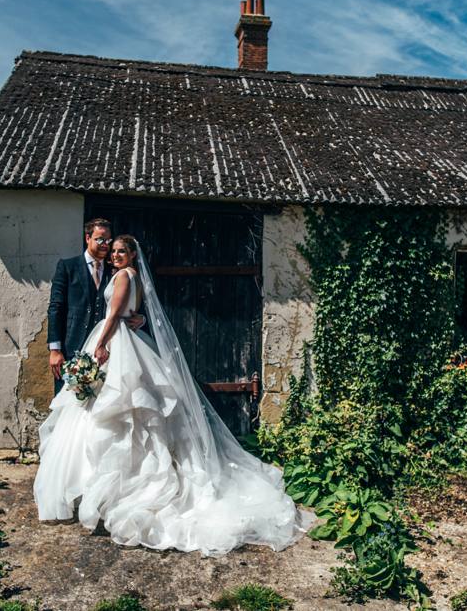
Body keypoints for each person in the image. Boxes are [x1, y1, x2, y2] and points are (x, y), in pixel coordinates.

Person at [35, 235, 313, 556]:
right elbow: (130, 312)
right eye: (112, 252)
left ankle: (118, 489)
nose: (115, 256)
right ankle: (108, 488)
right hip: (126, 337)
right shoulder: (131, 276)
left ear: (133, 255)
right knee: (122, 412)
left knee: (124, 410)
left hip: (116, 340)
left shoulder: (126, 276)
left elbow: (113, 315)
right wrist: (127, 322)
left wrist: (101, 344)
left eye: (121, 251)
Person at [46, 218, 143, 395]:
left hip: (104, 351)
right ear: (87, 238)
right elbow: (55, 308)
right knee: (66, 406)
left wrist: (141, 318)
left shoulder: (115, 270)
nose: (105, 245)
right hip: (70, 348)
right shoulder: (68, 267)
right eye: (100, 239)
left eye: (108, 240)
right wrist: (55, 349)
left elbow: (127, 303)